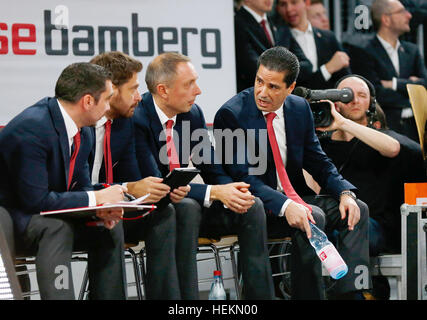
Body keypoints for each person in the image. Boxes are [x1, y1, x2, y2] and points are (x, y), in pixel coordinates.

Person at [214, 46, 371, 299]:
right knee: (313, 216)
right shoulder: (231, 115)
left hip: (295, 197)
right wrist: (287, 206)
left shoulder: (299, 108)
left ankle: (349, 295)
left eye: (273, 87)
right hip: (259, 206)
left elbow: (318, 161)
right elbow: (243, 178)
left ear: (290, 87)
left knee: (357, 209)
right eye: (259, 82)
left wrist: (344, 192)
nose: (263, 92)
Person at [133, 52, 274, 300]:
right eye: (189, 84)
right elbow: (156, 184)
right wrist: (215, 192)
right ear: (163, 90)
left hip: (186, 202)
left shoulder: (192, 113)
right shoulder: (137, 118)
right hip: (153, 208)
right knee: (186, 207)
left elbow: (210, 166)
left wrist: (230, 192)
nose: (198, 91)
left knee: (251, 204)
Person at [0, 62, 127, 300]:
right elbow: (35, 201)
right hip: (13, 216)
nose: (110, 107)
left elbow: (81, 187)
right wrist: (96, 198)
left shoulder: (83, 129)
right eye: (107, 99)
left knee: (109, 225)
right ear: (88, 101)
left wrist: (99, 209)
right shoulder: (32, 128)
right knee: (57, 227)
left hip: (47, 209)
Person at [89, 51, 184, 299]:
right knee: (110, 220)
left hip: (113, 204)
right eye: (132, 89)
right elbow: (76, 184)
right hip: (81, 206)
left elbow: (132, 177)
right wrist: (129, 188)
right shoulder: (82, 122)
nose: (138, 98)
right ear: (110, 91)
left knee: (164, 211)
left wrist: (145, 188)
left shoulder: (124, 124)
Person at [315, 74, 401, 256]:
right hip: (331, 220)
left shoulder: (378, 137)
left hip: (372, 224)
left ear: (371, 103)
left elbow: (393, 148)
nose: (354, 100)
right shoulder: (321, 144)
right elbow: (312, 189)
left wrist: (342, 122)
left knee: (348, 230)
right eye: (346, 95)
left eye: (362, 95)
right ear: (334, 102)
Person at [348, 0, 427, 142]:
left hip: (416, 130)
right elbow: (374, 93)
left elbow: (424, 85)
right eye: (402, 11)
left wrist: (394, 84)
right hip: (385, 130)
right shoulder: (364, 51)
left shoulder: (412, 50)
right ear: (386, 19)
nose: (409, 15)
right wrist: (411, 91)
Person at [235, 0, 311, 93]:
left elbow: (307, 66)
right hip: (252, 99)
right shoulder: (236, 24)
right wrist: (288, 68)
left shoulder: (279, 24)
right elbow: (254, 70)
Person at [275, 0, 351, 89]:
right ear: (277, 9)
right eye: (283, 4)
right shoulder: (278, 41)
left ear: (306, 3)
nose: (289, 9)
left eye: (294, 2)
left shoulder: (328, 37)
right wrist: (327, 69)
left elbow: (346, 80)